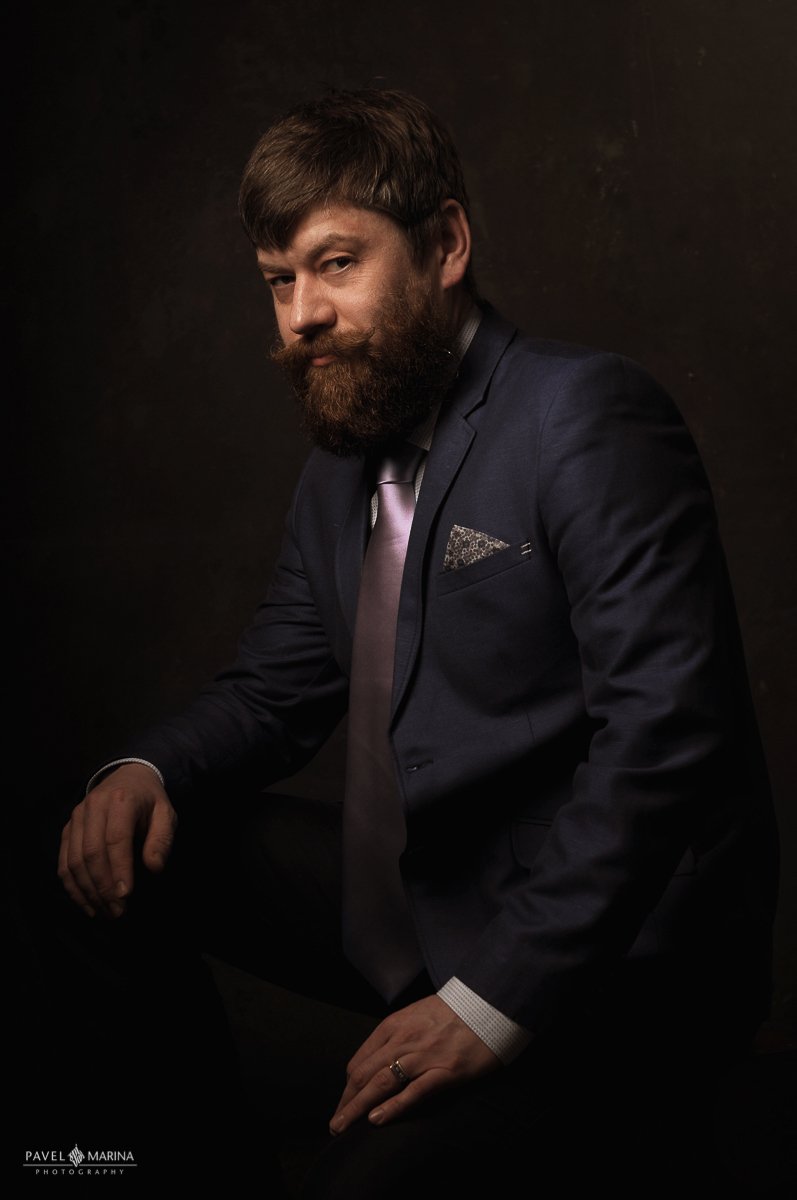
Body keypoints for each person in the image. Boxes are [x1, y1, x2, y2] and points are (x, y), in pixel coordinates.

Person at [55, 90, 777, 1195]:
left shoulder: (583, 415)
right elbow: (272, 693)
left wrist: (488, 1004)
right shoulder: (337, 470)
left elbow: (664, 739)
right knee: (86, 848)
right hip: (431, 897)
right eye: (278, 280)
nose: (301, 315)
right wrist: (143, 771)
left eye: (336, 263)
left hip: (607, 962)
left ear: (444, 245)